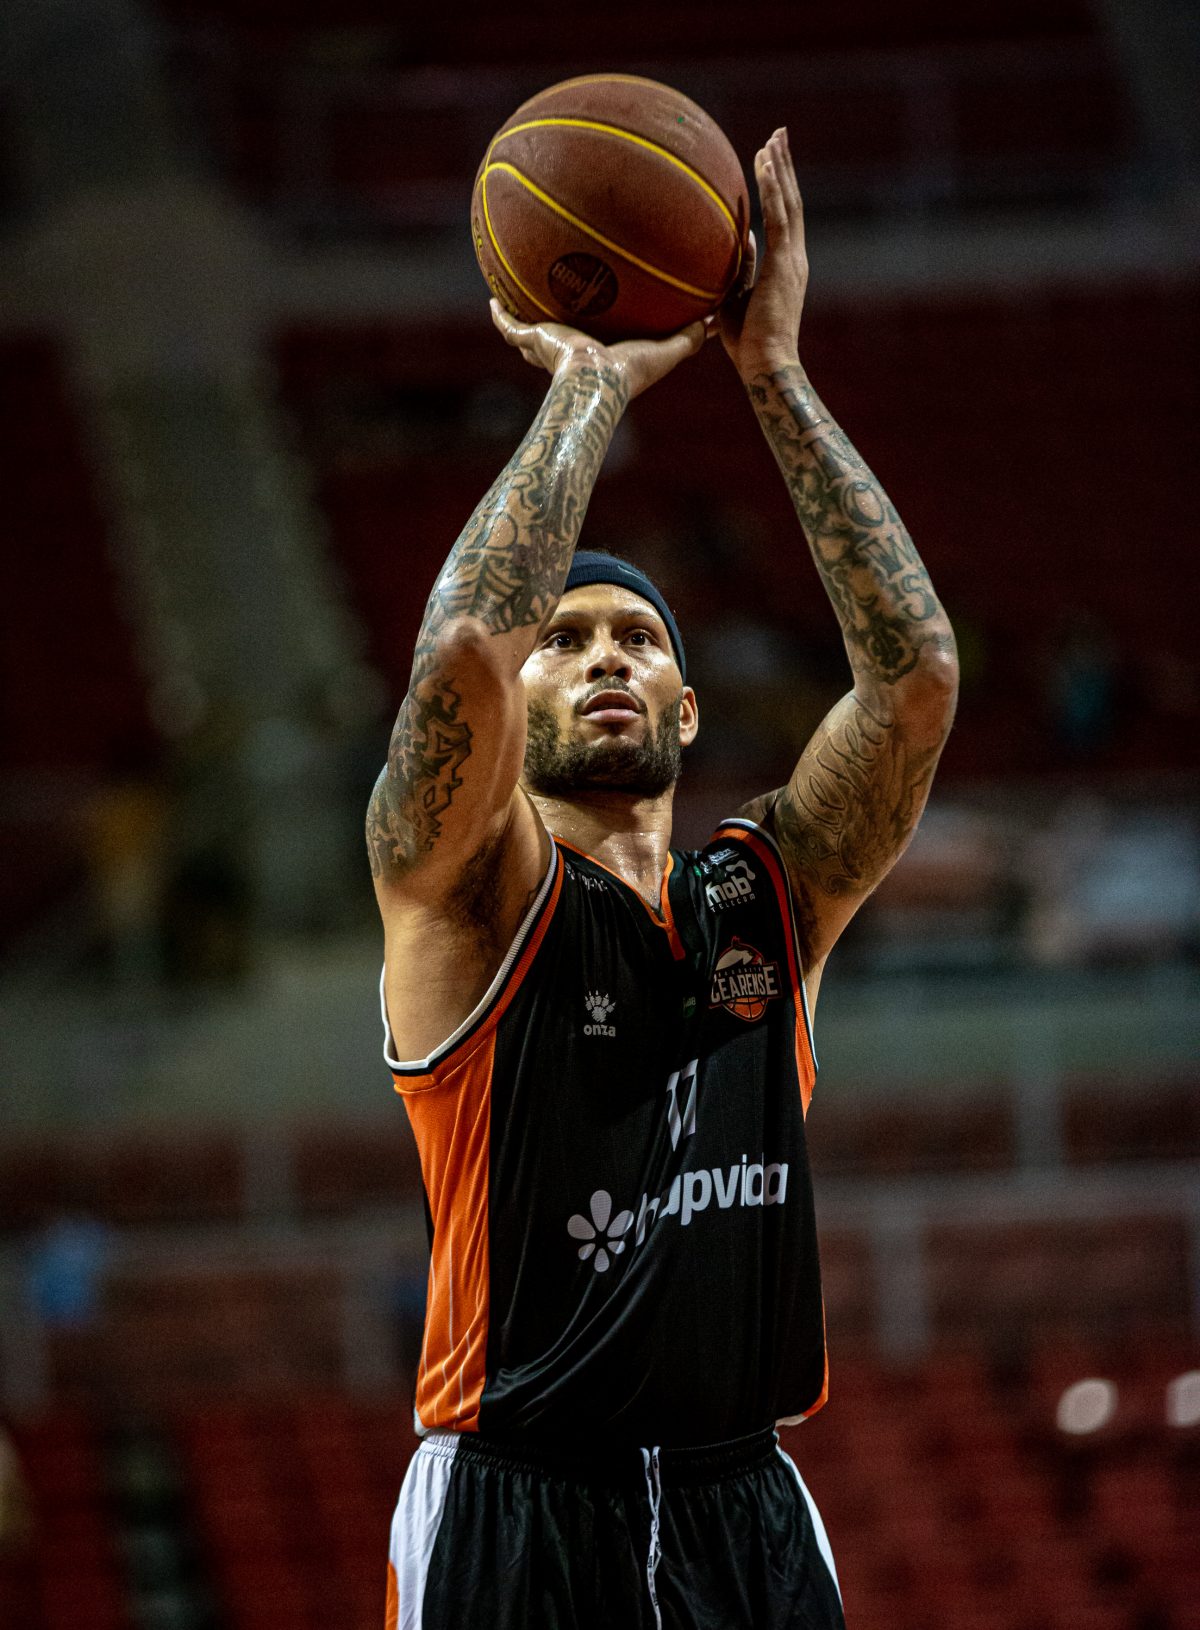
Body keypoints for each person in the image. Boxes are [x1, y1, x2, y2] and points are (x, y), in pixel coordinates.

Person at [369, 129, 958, 1630]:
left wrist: (776, 374)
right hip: (515, 1501)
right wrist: (589, 387)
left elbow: (913, 683)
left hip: (740, 1500)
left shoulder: (767, 899)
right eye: (566, 642)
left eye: (637, 641)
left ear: (689, 711)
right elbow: (460, 652)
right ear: (523, 708)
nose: (605, 659)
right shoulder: (475, 898)